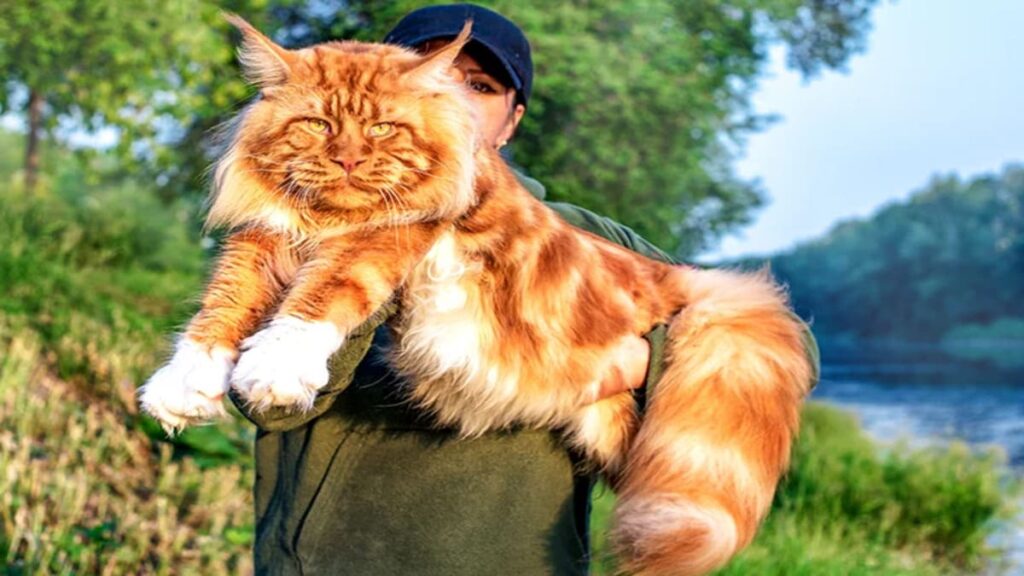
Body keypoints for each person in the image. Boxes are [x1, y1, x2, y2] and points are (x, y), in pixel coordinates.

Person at [230, 5, 816, 575]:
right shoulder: (296, 215)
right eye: (436, 80)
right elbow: (266, 402)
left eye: (479, 86)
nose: (455, 100)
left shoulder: (578, 234)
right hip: (339, 558)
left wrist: (627, 362)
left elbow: (786, 345)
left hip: (524, 558)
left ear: (511, 121)